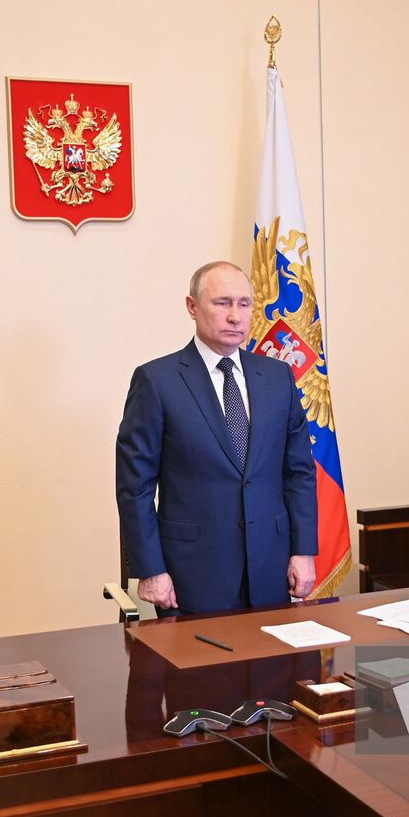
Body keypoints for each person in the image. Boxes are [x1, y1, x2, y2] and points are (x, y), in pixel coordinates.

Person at [116, 261, 317, 615]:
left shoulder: (278, 377)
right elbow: (135, 487)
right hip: (191, 576)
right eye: (222, 303)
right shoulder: (157, 381)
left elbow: (299, 471)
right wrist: (151, 569)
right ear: (192, 306)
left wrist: (303, 551)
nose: (235, 316)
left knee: (273, 652)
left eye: (244, 304)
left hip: (271, 570)